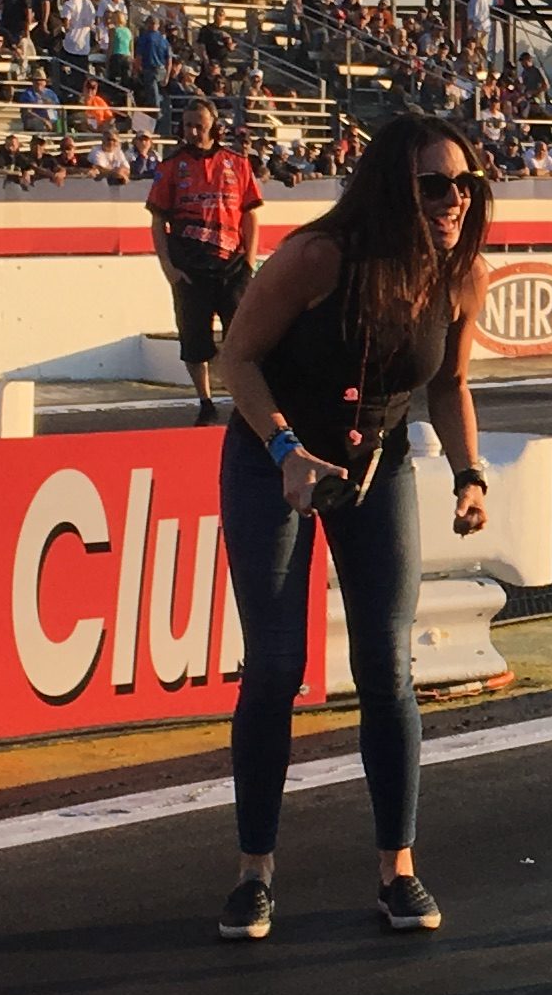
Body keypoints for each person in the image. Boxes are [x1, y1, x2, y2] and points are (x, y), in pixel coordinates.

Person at [209, 113, 492, 943]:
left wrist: (469, 472)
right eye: (434, 184)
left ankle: (397, 870)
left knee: (386, 664)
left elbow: (452, 385)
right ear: (390, 185)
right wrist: (289, 450)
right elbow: (239, 359)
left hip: (380, 468)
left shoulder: (461, 274)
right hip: (275, 462)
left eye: (465, 185)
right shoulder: (318, 256)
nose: (451, 201)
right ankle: (253, 873)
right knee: (275, 667)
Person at [145, 99, 261, 421]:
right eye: (188, 125)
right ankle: (206, 403)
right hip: (190, 270)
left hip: (233, 267)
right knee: (194, 340)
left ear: (214, 126)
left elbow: (250, 215)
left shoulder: (237, 163)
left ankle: (246, 403)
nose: (194, 131)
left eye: (200, 124)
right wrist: (168, 268)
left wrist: (249, 262)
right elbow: (157, 222)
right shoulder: (171, 166)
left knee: (243, 339)